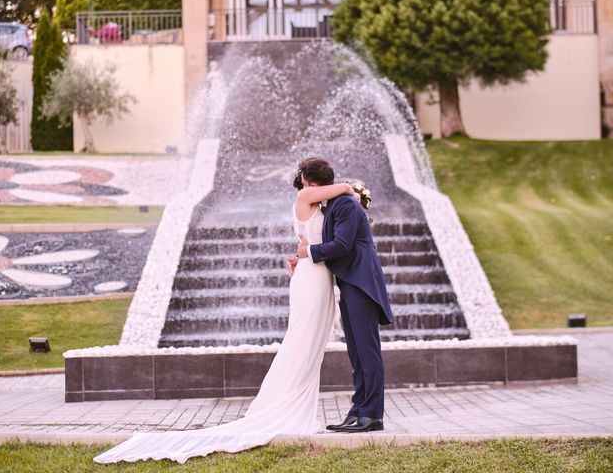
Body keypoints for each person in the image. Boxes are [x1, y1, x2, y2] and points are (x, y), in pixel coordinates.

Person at [93, 158, 360, 464]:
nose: (303, 184)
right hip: (310, 278)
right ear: (315, 183)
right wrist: (353, 190)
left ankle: (298, 408)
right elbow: (342, 190)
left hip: (320, 274)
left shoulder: (323, 203)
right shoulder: (304, 197)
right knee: (300, 341)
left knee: (313, 347)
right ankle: (278, 406)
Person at [296, 158, 393, 433]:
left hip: (361, 283)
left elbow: (342, 245)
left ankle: (372, 415)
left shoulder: (346, 205)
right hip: (349, 282)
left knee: (367, 351)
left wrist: (309, 253)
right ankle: (358, 409)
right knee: (356, 352)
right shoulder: (334, 204)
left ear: (313, 184)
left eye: (303, 183)